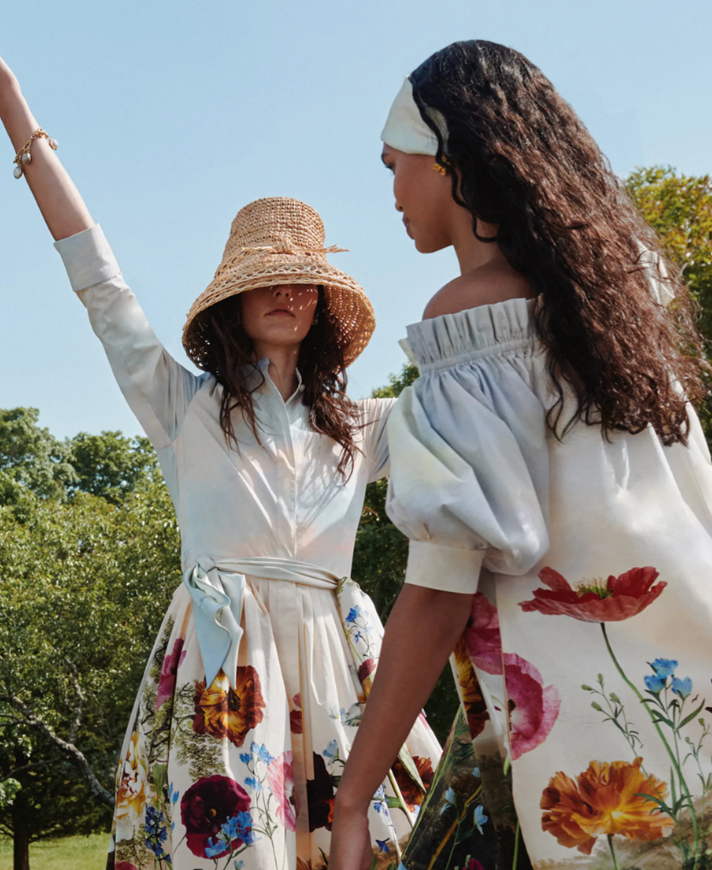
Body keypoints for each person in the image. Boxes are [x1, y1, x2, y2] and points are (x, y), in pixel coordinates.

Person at [0, 55, 440, 870]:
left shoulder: (366, 423)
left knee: (384, 847)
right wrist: (18, 120)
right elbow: (101, 288)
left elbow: (480, 391)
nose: (288, 295)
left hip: (338, 661)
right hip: (222, 659)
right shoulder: (183, 406)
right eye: (269, 281)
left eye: (304, 283)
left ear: (323, 306)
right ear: (234, 299)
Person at [329, 40, 712, 870]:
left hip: (562, 757)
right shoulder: (619, 322)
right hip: (682, 707)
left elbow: (441, 588)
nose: (392, 191)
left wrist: (351, 799)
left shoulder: (471, 327)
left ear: (451, 156)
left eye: (394, 164)